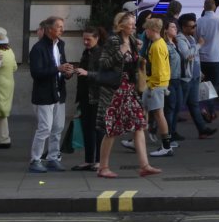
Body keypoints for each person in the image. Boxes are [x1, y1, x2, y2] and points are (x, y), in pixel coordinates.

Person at [97, 11, 161, 179]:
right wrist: (120, 52)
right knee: (112, 129)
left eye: (134, 23)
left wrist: (139, 56)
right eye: (131, 23)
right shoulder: (113, 40)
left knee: (140, 124)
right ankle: (102, 167)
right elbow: (103, 63)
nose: (134, 26)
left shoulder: (132, 40)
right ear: (121, 24)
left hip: (129, 90)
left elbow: (133, 63)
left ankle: (144, 165)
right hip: (116, 91)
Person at [28, 17, 75, 173]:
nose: (62, 29)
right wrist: (58, 69)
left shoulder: (60, 44)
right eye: (59, 27)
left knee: (58, 128)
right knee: (44, 128)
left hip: (58, 92)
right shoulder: (38, 48)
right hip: (44, 94)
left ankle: (53, 158)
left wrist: (68, 72)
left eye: (62, 26)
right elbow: (36, 73)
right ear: (49, 29)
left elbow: (62, 65)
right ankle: (35, 159)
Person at [176, 13, 217, 139]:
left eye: (195, 26)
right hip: (186, 78)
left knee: (193, 104)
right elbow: (187, 55)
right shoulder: (180, 39)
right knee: (178, 105)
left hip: (194, 77)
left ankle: (202, 129)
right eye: (192, 27)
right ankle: (164, 129)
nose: (194, 29)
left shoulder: (191, 38)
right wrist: (199, 45)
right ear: (184, 27)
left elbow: (195, 58)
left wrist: (199, 72)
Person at [72, 26, 104, 170]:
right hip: (85, 96)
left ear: (97, 38)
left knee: (98, 130)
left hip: (97, 97)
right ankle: (89, 159)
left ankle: (99, 160)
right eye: (84, 39)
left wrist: (87, 73)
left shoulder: (102, 53)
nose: (85, 42)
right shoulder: (87, 52)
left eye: (88, 39)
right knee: (87, 129)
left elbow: (106, 76)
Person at [143, 17, 174, 157]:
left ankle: (166, 146)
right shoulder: (160, 43)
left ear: (153, 30)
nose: (145, 32)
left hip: (156, 85)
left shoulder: (156, 46)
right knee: (153, 113)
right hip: (158, 84)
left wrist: (151, 85)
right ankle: (138, 139)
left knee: (158, 114)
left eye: (146, 29)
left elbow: (159, 69)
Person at [197, 0, 219, 117]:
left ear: (204, 7)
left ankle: (207, 110)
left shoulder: (199, 21)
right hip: (216, 57)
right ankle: (208, 107)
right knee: (215, 84)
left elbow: (196, 40)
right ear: (215, 7)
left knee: (204, 84)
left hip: (201, 58)